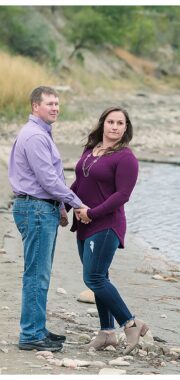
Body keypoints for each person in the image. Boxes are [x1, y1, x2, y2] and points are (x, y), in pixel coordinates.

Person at [8, 86, 89, 352]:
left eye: (57, 103)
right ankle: (30, 335)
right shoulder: (34, 136)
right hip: (35, 210)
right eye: (50, 104)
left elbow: (45, 180)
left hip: (42, 209)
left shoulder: (41, 133)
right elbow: (47, 179)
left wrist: (60, 208)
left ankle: (37, 328)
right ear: (35, 106)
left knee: (40, 274)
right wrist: (76, 203)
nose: (55, 108)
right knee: (36, 275)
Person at [68, 106, 148, 353]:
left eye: (120, 123)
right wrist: (65, 203)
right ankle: (106, 333)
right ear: (103, 124)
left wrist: (91, 213)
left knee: (93, 277)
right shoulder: (90, 151)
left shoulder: (126, 158)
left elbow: (122, 195)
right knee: (99, 278)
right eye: (110, 121)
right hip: (84, 223)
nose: (114, 126)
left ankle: (130, 322)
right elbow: (79, 182)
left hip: (106, 224)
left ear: (126, 128)